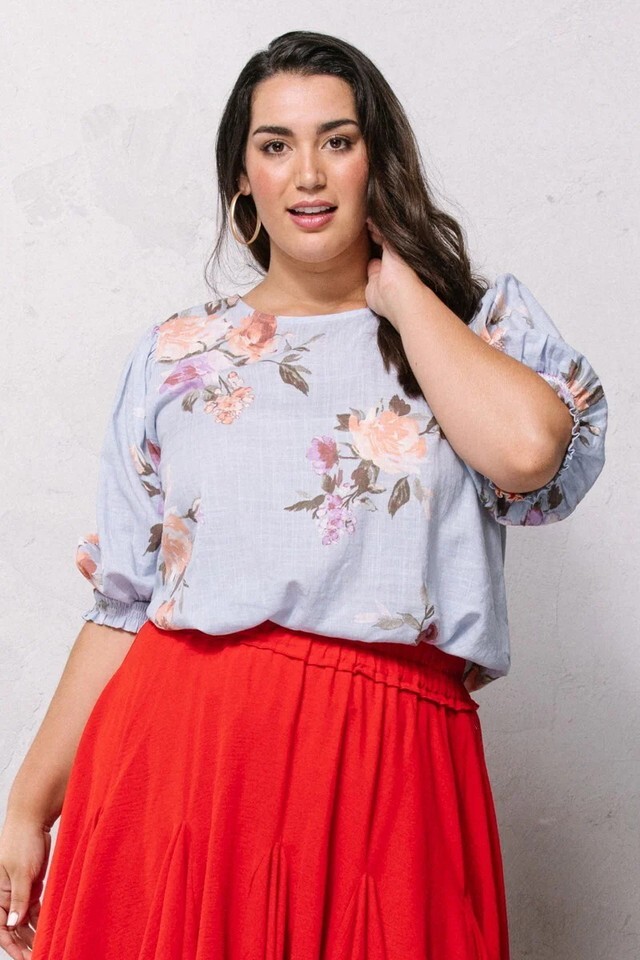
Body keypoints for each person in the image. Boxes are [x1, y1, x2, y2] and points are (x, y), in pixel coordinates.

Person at [0, 29, 607, 960]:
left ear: (378, 161)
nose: (309, 174)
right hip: (186, 755)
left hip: (387, 765)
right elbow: (122, 605)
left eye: (338, 140)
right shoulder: (177, 354)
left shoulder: (477, 326)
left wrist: (401, 296)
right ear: (243, 179)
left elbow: (529, 454)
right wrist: (27, 805)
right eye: (276, 145)